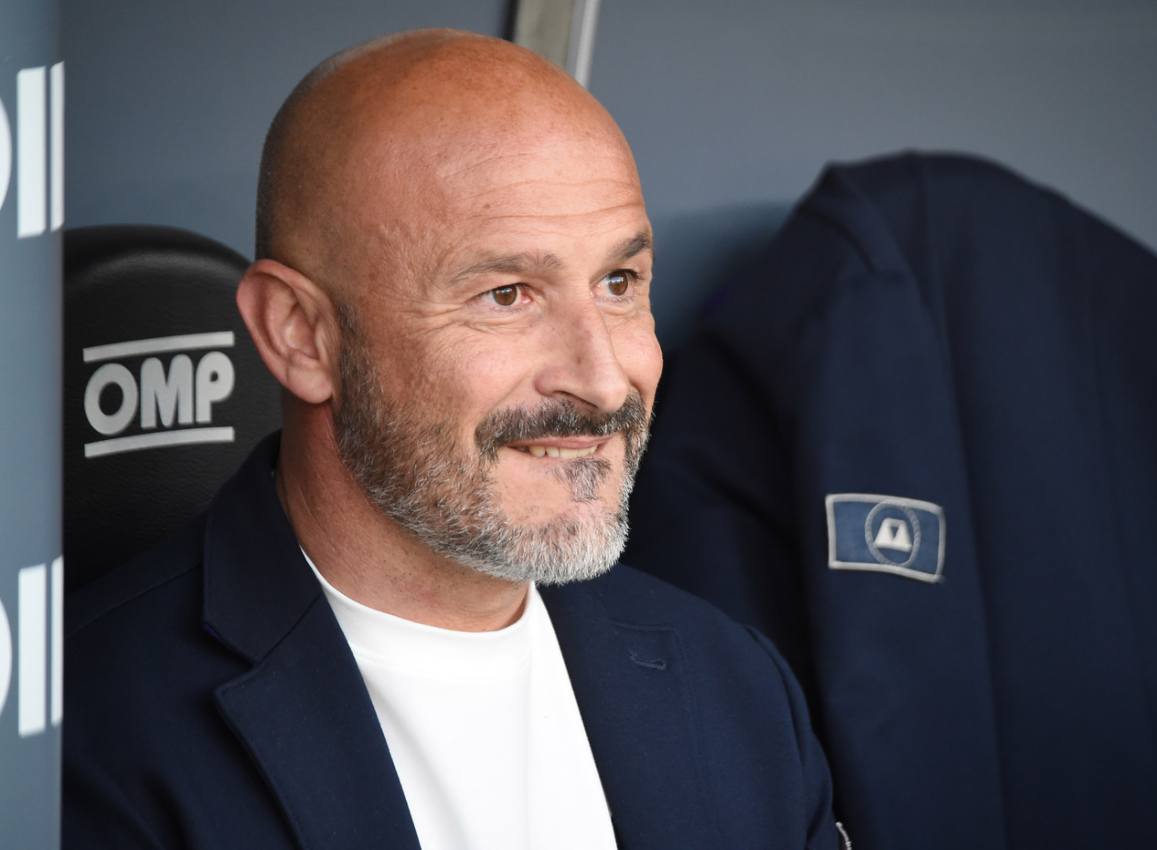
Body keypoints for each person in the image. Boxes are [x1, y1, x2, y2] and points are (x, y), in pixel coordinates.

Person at [62, 29, 843, 850]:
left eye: (618, 283)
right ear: (299, 335)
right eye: (508, 295)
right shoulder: (83, 740)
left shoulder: (737, 688)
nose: (606, 381)